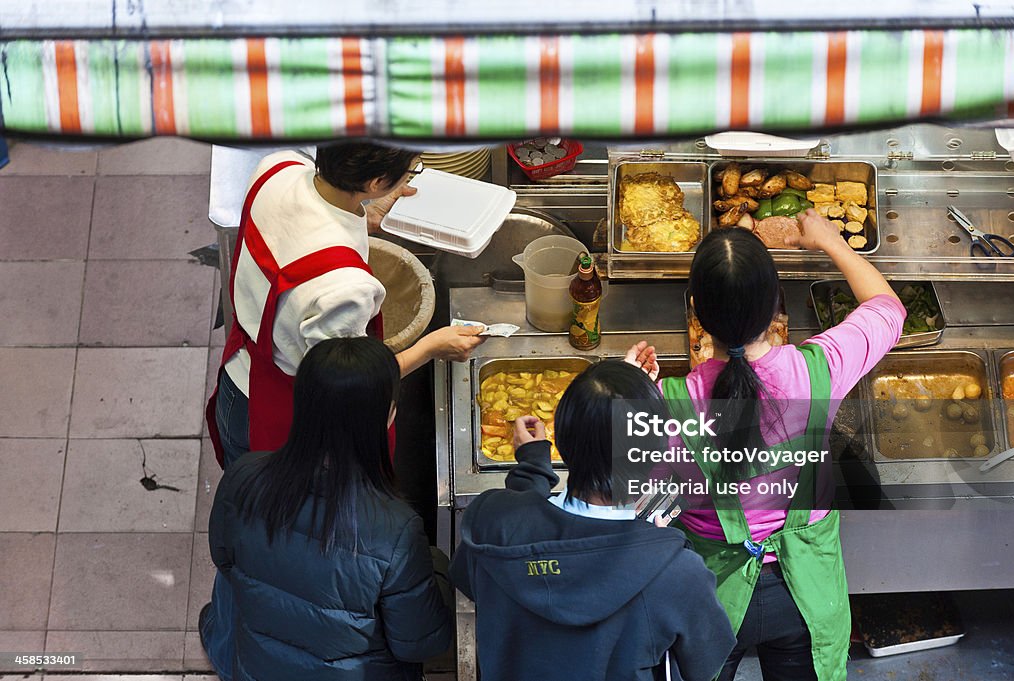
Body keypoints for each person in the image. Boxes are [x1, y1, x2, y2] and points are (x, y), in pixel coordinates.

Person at [646, 212, 906, 681]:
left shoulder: (667, 403)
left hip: (713, 597)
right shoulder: (819, 369)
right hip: (804, 593)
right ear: (774, 309)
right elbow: (888, 309)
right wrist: (831, 242)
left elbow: (631, 490)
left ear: (697, 315)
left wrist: (636, 389)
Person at [450, 360, 736, 681]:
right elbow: (706, 662)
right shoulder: (679, 572)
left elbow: (468, 578)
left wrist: (532, 468)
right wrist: (654, 547)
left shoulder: (491, 520)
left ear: (562, 443)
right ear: (656, 455)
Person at [207, 141, 485, 469]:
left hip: (237, 383)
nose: (412, 174)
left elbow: (296, 229)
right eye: (412, 170)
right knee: (289, 515)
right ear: (376, 182)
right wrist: (431, 348)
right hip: (287, 418)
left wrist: (362, 209)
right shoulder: (346, 289)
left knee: (247, 505)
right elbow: (354, 384)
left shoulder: (277, 167)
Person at [204, 337, 453, 681]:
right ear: (387, 417)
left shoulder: (243, 476)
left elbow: (225, 562)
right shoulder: (396, 531)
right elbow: (419, 643)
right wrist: (437, 566)